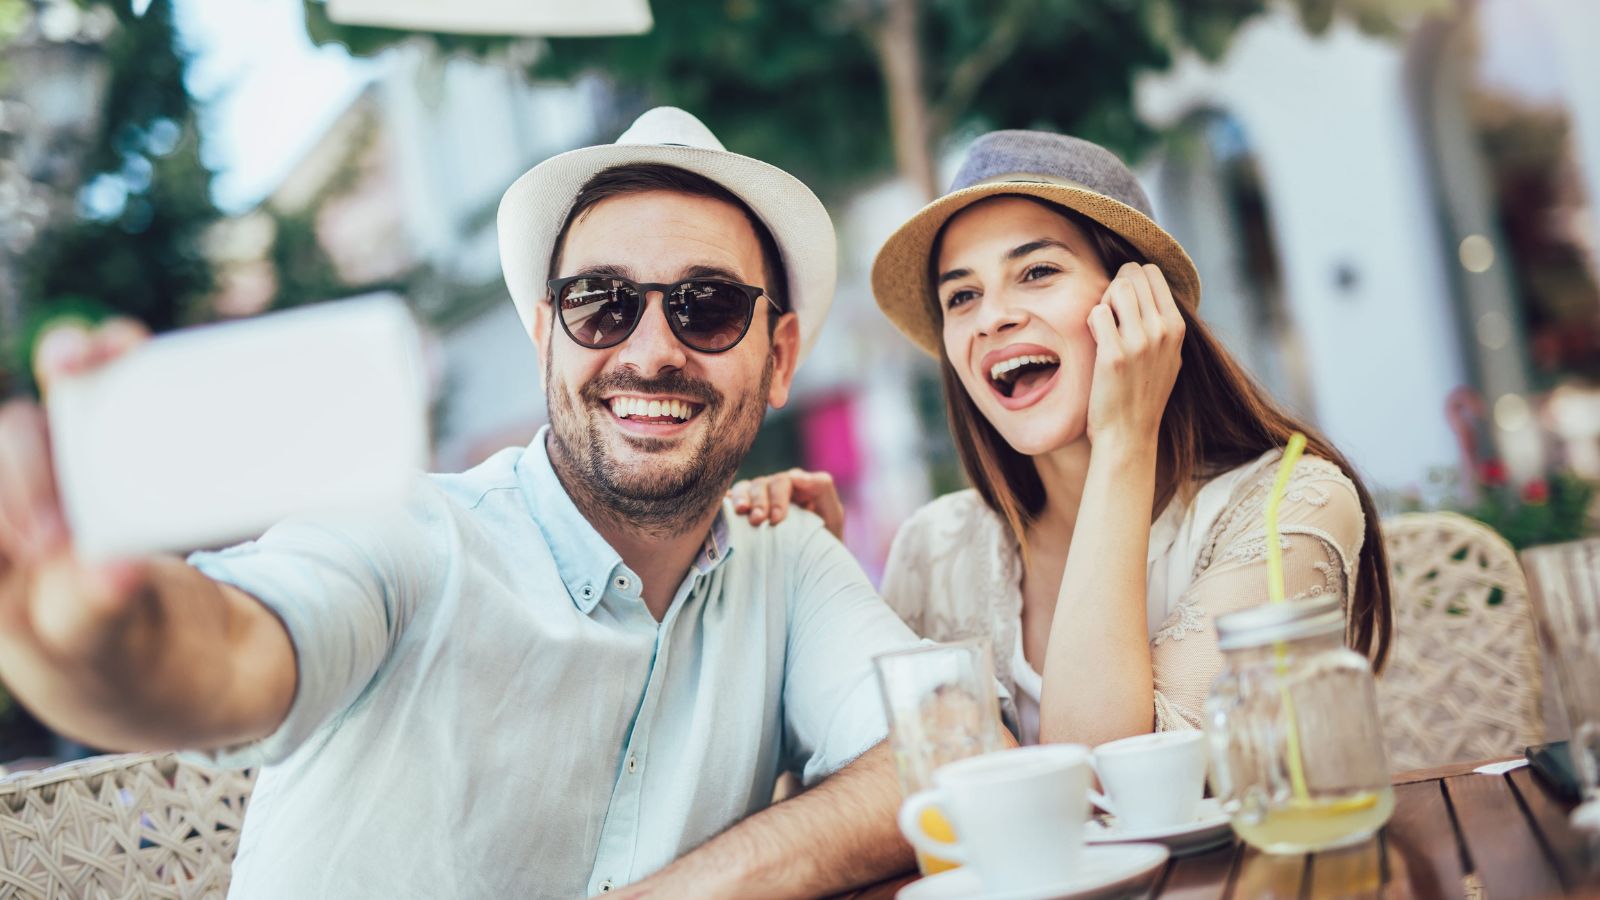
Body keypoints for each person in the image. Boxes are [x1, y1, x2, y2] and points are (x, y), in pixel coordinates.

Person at [0, 108, 925, 898]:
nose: (650, 352)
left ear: (780, 357)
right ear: (545, 339)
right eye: (601, 303)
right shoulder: (406, 534)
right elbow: (226, 656)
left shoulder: (785, 556)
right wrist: (91, 630)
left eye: (708, 306)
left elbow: (942, 750)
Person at [733, 129, 1393, 747]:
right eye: (961, 297)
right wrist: (814, 585)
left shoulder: (1288, 505)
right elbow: (880, 778)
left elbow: (1120, 775)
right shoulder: (934, 551)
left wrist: (1124, 441)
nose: (992, 318)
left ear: (1141, 302)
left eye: (1037, 272)